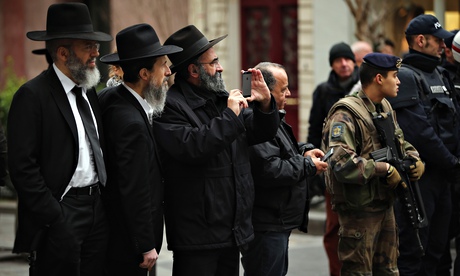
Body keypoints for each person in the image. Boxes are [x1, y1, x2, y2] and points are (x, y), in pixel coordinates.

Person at [152, 25, 280, 276]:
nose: (220, 68)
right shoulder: (169, 106)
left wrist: (265, 104)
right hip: (197, 234)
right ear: (193, 70)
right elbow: (194, 146)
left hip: (231, 230)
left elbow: (259, 132)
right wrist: (231, 115)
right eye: (214, 63)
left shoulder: (221, 98)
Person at [7, 3, 112, 276]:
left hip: (97, 209)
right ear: (64, 53)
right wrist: (55, 216)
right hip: (61, 213)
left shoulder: (88, 92)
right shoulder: (32, 96)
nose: (96, 53)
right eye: (88, 46)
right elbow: (22, 168)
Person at [322, 52, 424, 275]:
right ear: (379, 78)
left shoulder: (384, 107)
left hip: (384, 206)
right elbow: (341, 163)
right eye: (394, 76)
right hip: (359, 213)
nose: (398, 81)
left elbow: (400, 142)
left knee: (388, 270)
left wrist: (414, 159)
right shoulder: (344, 114)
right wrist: (383, 169)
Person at [98, 24, 182, 275]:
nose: (168, 72)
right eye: (163, 65)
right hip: (127, 243)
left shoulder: (112, 98)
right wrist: (145, 244)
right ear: (145, 74)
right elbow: (134, 188)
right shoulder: (130, 123)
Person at [387, 14, 460, 275]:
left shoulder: (440, 73)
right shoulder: (406, 76)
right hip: (423, 178)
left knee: (439, 251)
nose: (443, 46)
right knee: (416, 251)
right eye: (437, 41)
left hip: (445, 176)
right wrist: (452, 162)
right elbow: (420, 131)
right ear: (420, 40)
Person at [240, 61, 328, 276]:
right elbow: (270, 169)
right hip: (267, 223)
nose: (289, 93)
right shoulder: (254, 119)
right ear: (265, 91)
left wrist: (304, 151)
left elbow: (283, 150)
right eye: (283, 89)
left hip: (276, 221)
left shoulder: (269, 116)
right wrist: (307, 165)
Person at [307, 41, 359, 276]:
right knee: (333, 228)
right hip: (331, 171)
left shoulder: (362, 88)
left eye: (347, 59)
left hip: (361, 169)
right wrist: (313, 168)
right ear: (332, 64)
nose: (344, 64)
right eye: (338, 60)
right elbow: (314, 129)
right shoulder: (323, 92)